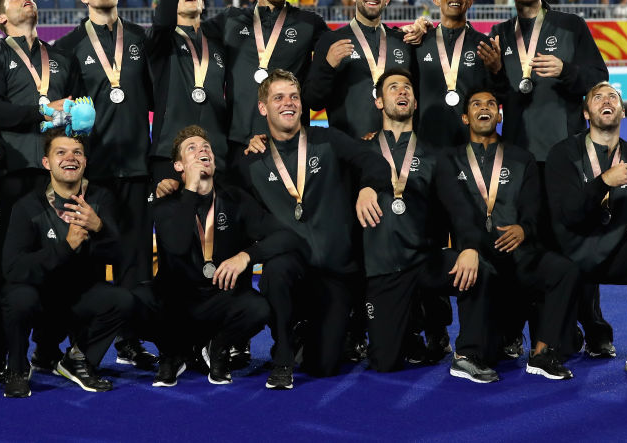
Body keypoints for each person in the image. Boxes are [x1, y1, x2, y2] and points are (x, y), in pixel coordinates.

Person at [477, 0, 611, 355]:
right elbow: (495, 98)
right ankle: (516, 331)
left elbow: (599, 79)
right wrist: (499, 72)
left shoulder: (571, 26)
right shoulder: (499, 33)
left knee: (578, 245)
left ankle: (598, 332)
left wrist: (566, 70)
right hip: (520, 163)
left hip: (568, 159)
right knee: (523, 248)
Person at [235, 70, 390, 389]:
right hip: (291, 266)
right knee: (275, 272)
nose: (288, 103)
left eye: (294, 97)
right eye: (278, 98)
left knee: (324, 367)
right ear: (263, 108)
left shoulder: (327, 140)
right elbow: (216, 192)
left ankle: (310, 329)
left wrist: (368, 188)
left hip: (335, 271)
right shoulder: (251, 161)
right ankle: (282, 356)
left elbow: (375, 163)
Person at [138, 125, 304, 387]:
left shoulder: (236, 199)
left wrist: (247, 256)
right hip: (178, 305)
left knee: (258, 308)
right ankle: (172, 353)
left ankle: (219, 347)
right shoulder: (166, 202)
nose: (202, 150)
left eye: (206, 147)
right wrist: (191, 189)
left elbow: (287, 236)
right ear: (179, 166)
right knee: (134, 301)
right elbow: (178, 246)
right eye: (191, 148)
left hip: (219, 302)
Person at [437, 89, 579, 379]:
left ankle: (542, 353)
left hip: (516, 252)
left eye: (491, 103)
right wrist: (471, 246)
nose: (484, 108)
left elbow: (533, 205)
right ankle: (469, 353)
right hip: (476, 254)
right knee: (492, 351)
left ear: (500, 115)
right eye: (476, 104)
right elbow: (458, 210)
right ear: (465, 117)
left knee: (564, 270)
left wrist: (524, 228)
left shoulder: (521, 157)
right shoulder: (449, 160)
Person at [55, 0, 156, 367]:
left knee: (134, 260)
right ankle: (83, 346)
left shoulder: (139, 38)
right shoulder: (68, 46)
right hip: (92, 174)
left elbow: (155, 100)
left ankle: (130, 342)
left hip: (135, 168)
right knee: (90, 262)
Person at [361, 69, 493, 381]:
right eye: (393, 88)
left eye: (407, 87)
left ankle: (467, 353)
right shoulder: (360, 152)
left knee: (481, 270)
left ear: (416, 103)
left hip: (424, 261)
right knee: (385, 363)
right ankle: (410, 327)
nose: (402, 92)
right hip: (382, 270)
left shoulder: (436, 156)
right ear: (379, 101)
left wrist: (470, 247)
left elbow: (461, 210)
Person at [0, 0, 80, 373]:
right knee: (7, 263)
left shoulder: (61, 58)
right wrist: (44, 111)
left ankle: (48, 349)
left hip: (55, 179)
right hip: (13, 175)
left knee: (59, 261)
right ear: (1, 18)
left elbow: (75, 113)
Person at [546, 82, 627, 376]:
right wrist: (604, 181)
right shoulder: (563, 154)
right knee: (564, 346)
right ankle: (574, 331)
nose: (606, 100)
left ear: (622, 112)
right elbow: (567, 214)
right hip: (569, 256)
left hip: (614, 252)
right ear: (587, 112)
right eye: (598, 97)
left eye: (613, 97)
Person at [1, 131, 134, 397]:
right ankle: (17, 367)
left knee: (122, 299)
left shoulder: (101, 199)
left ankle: (78, 359)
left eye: (77, 153)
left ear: (85, 162)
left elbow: (121, 255)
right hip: (41, 299)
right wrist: (66, 247)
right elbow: (13, 268)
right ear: (46, 163)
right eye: (60, 152)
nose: (70, 158)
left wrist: (100, 227)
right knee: (17, 297)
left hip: (80, 297)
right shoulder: (28, 206)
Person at [199, 0, 328, 161]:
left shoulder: (309, 23)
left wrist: (396, 34)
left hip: (291, 145)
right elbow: (187, 34)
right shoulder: (231, 20)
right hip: (239, 143)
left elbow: (350, 43)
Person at [147, 0, 228, 188]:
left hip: (215, 156)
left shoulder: (217, 46)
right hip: (170, 156)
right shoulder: (161, 41)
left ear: (204, 3)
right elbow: (162, 22)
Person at [305, 0, 420, 140]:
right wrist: (327, 67)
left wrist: (424, 23)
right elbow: (313, 101)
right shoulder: (330, 41)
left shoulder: (402, 41)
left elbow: (418, 97)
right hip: (348, 153)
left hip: (398, 153)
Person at [414, 0, 498, 148]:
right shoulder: (419, 42)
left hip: (470, 148)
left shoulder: (484, 46)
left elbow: (496, 94)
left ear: (470, 1)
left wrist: (497, 70)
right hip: (425, 146)